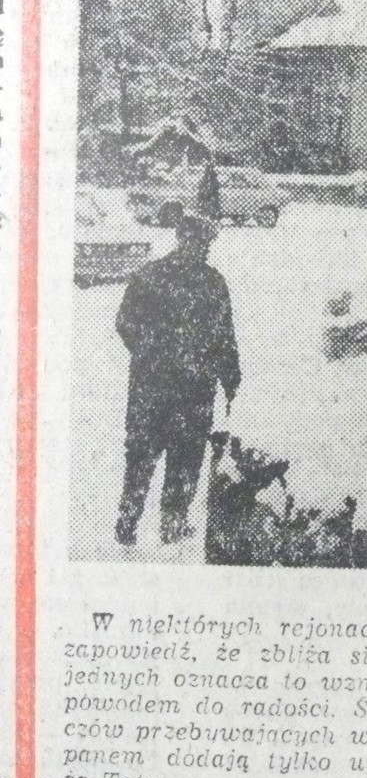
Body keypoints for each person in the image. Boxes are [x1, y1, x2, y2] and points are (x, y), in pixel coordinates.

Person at [114, 203, 241, 546]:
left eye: (203, 244)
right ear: (184, 238)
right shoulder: (200, 281)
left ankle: (147, 521)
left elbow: (125, 322)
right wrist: (228, 374)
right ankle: (155, 524)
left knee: (160, 456)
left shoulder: (158, 275)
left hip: (163, 389)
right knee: (168, 457)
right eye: (197, 241)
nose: (199, 248)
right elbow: (125, 322)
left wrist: (229, 373)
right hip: (183, 390)